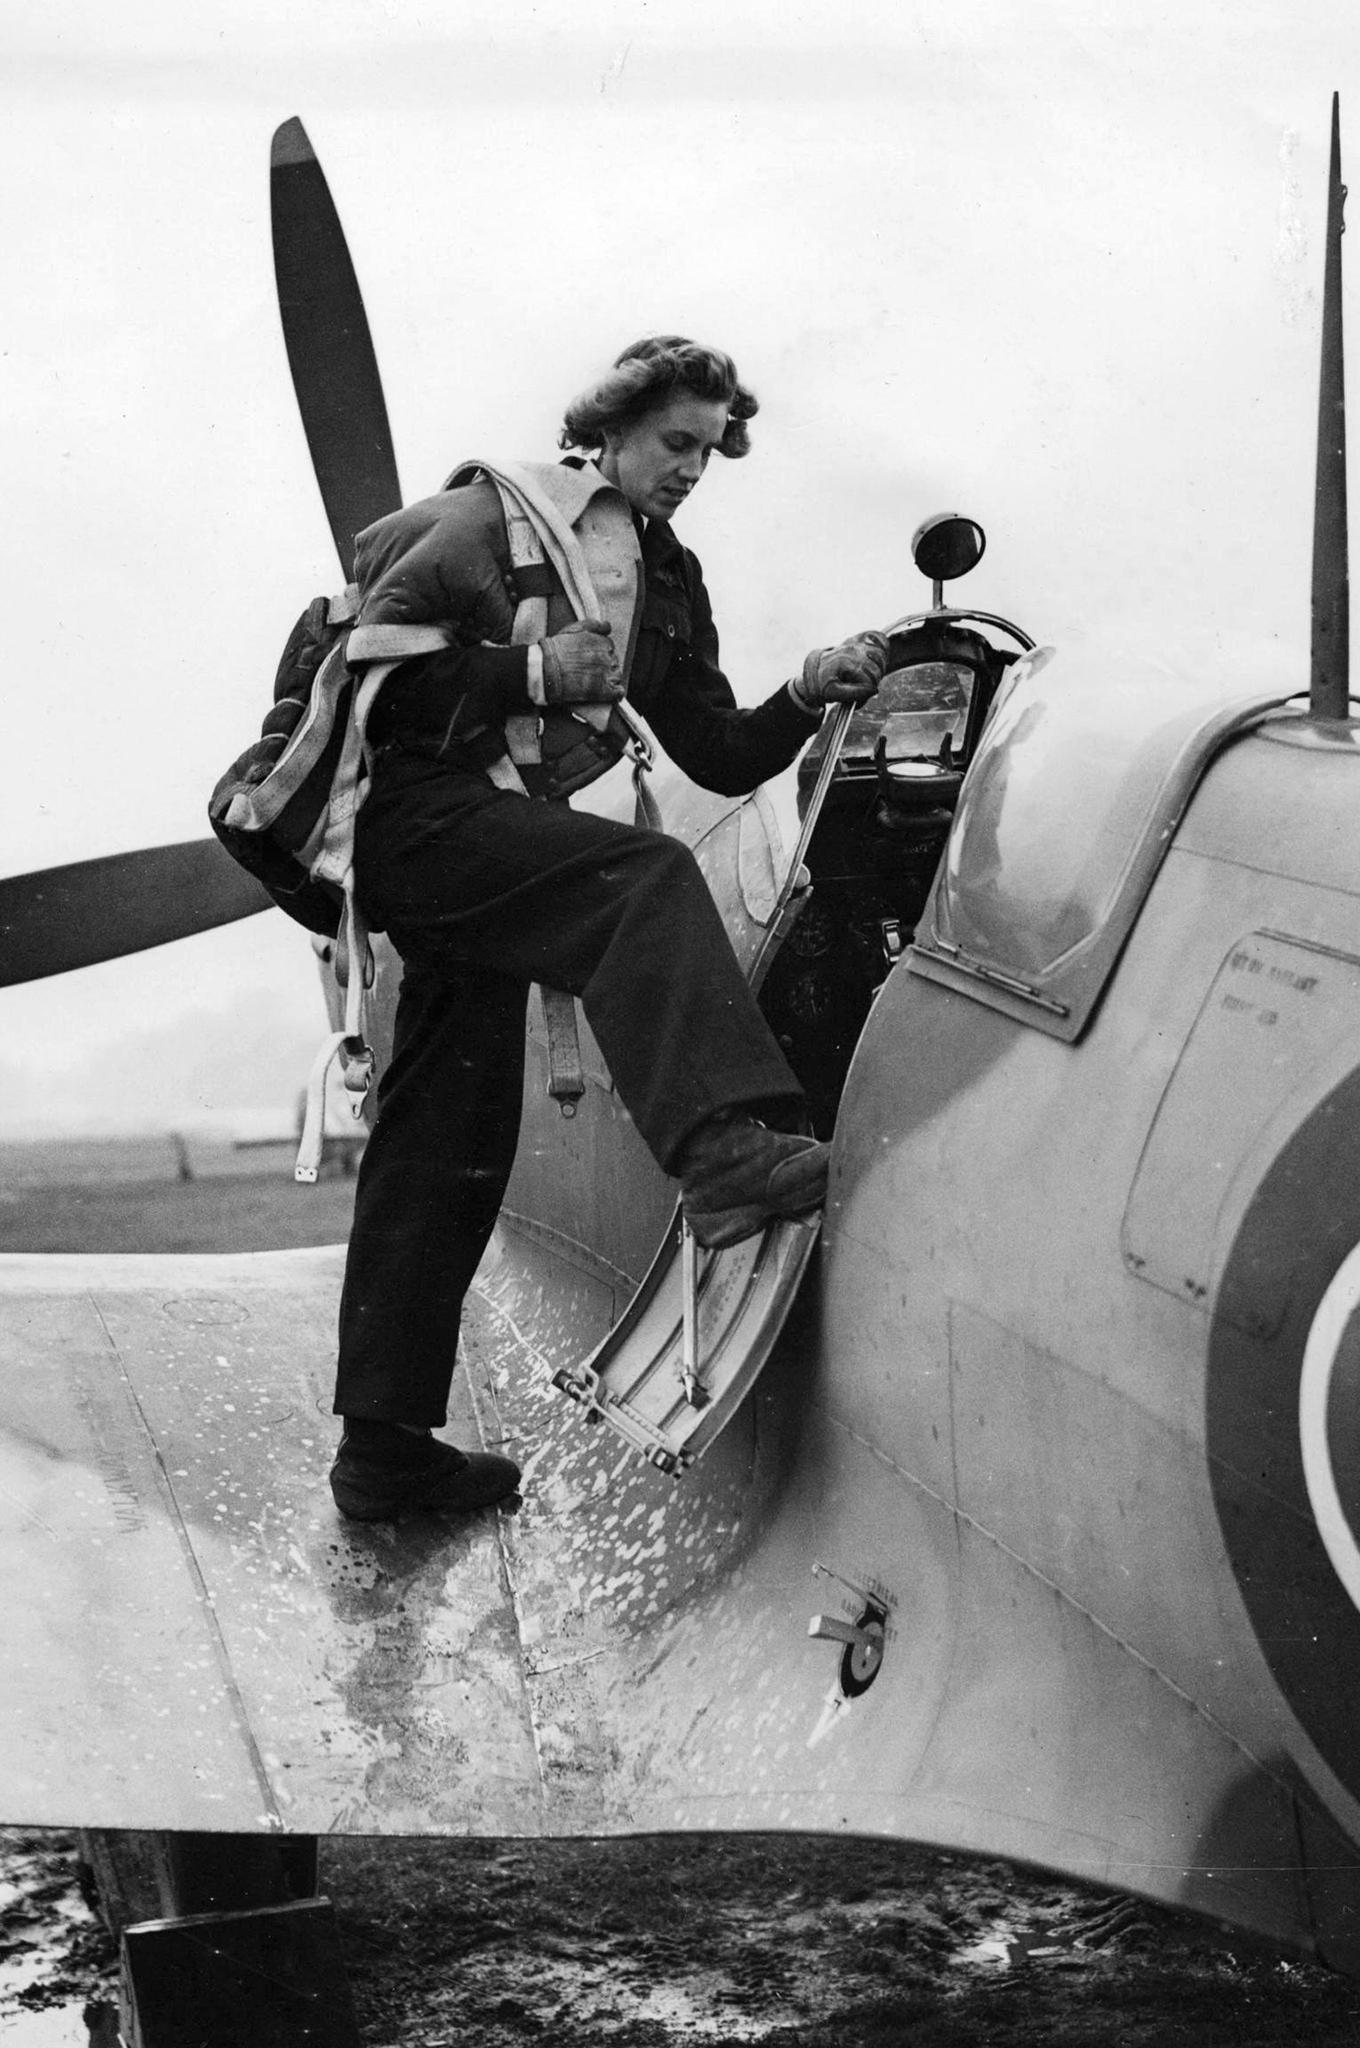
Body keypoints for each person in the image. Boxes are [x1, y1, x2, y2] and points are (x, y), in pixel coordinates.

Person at [329, 336, 888, 1521]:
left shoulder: (665, 580)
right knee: (639, 878)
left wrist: (808, 687)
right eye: (674, 441)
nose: (691, 466)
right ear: (613, 429)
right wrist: (529, 673)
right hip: (412, 819)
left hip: (476, 839)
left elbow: (716, 750)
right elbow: (366, 691)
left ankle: (382, 1454)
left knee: (448, 1140)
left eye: (708, 449)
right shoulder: (491, 520)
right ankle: (723, 1157)